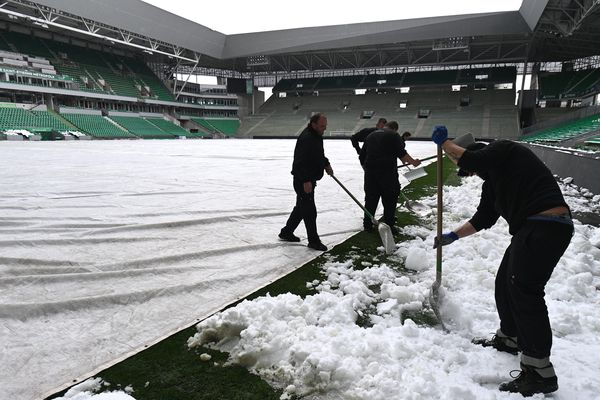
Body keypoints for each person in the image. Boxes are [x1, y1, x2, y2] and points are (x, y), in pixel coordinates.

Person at [431, 126, 574, 396]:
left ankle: (539, 371)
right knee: (504, 283)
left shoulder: (505, 149)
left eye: (469, 168)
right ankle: (510, 337)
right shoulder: (492, 183)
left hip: (547, 225)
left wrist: (445, 144)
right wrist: (452, 236)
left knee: (524, 291)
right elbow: (483, 218)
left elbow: (474, 160)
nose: (472, 173)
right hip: (530, 229)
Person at [279, 113, 333, 251]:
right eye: (322, 126)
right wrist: (306, 180)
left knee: (301, 207)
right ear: (313, 124)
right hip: (303, 180)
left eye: (325, 126)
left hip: (309, 178)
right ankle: (313, 241)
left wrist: (326, 164)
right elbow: (300, 162)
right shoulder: (307, 138)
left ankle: (286, 232)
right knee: (309, 210)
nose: (324, 129)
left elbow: (317, 155)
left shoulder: (315, 136)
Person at [359, 121, 420, 233]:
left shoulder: (371, 135)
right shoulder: (393, 135)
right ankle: (389, 224)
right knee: (390, 199)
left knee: (371, 199)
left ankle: (367, 224)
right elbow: (402, 153)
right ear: (395, 129)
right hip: (387, 173)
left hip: (370, 174)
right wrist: (414, 162)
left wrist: (367, 170)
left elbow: (362, 156)